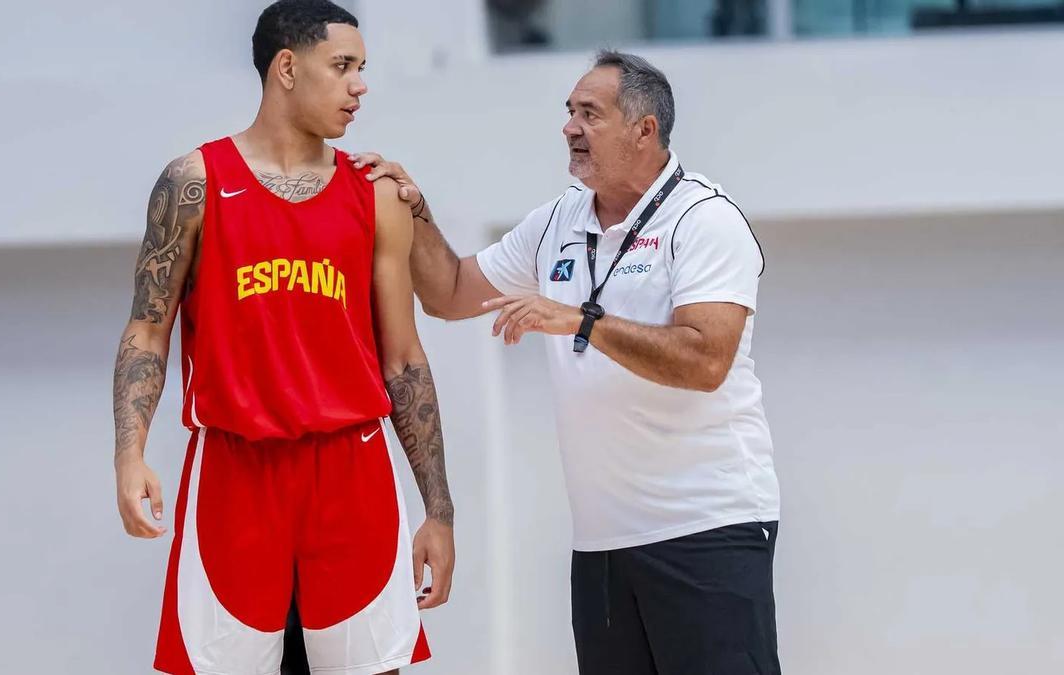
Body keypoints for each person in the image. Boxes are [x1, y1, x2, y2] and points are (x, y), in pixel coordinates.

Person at [353, 49, 781, 674]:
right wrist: (412, 210)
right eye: (569, 112)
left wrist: (581, 319)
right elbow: (448, 294)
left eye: (590, 113)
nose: (570, 128)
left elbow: (704, 360)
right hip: (603, 545)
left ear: (644, 129)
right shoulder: (559, 219)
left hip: (708, 530)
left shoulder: (705, 220)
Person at [110, 2, 455, 674]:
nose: (361, 86)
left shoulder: (376, 193)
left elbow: (405, 359)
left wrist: (438, 511)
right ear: (288, 68)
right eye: (344, 66)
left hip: (351, 464)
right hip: (235, 466)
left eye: (363, 68)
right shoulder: (194, 183)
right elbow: (147, 329)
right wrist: (130, 453)